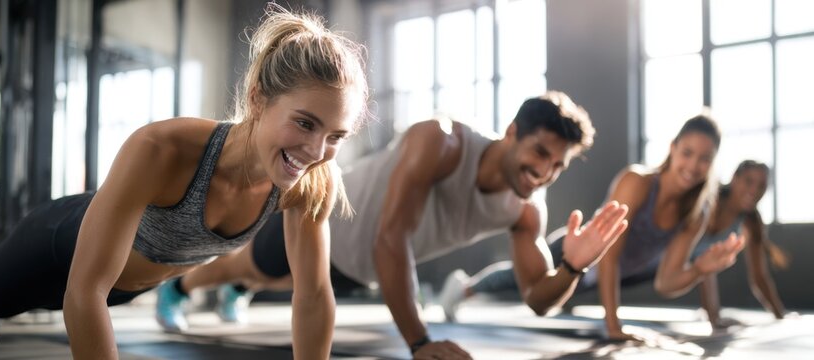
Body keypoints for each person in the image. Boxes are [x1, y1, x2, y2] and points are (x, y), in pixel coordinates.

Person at [0, 5, 370, 359]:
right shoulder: (161, 149)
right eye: (305, 123)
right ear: (258, 97)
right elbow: (85, 289)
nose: (316, 151)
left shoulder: (311, 183)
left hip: (122, 289)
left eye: (335, 136)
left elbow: (313, 296)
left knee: (23, 304)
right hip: (58, 245)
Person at [156, 91, 631, 359]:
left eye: (557, 167)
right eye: (541, 154)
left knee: (272, 278)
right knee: (252, 266)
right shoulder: (441, 142)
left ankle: (237, 289)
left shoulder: (526, 210)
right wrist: (419, 343)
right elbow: (392, 235)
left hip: (366, 267)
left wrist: (571, 265)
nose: (545, 172)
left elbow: (537, 298)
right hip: (332, 219)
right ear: (512, 134)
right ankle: (180, 289)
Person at [445, 114, 746, 341]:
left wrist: (699, 270)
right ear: (673, 148)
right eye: (687, 153)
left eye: (704, 159)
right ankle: (464, 288)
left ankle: (471, 286)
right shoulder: (638, 182)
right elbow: (610, 257)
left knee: (547, 295)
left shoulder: (697, 212)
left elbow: (665, 283)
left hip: (613, 276)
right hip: (579, 251)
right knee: (519, 278)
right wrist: (613, 327)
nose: (693, 166)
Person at [695, 160, 788, 328]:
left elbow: (759, 276)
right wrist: (714, 317)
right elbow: (704, 261)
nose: (754, 190)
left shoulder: (752, 221)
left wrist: (780, 315)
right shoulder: (709, 199)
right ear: (734, 179)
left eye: (761, 185)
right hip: (657, 260)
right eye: (749, 181)